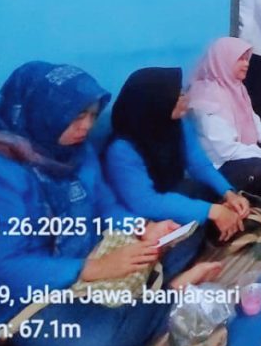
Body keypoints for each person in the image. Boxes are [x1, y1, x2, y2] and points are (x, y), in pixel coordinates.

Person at [0, 62, 214, 346]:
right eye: (75, 116)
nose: (86, 126)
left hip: (89, 253)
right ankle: (168, 293)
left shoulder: (78, 152)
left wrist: (142, 228)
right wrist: (91, 269)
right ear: (41, 113)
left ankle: (143, 300)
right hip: (24, 294)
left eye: (91, 115)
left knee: (184, 229)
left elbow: (105, 205)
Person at [105, 67, 250, 241]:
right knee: (198, 226)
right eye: (179, 95)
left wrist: (228, 193)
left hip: (173, 194)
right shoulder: (121, 150)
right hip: (143, 217)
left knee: (218, 197)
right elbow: (146, 203)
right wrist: (211, 211)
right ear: (157, 101)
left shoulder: (175, 124)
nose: (186, 98)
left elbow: (198, 164)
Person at [189, 37, 261, 204]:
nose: (246, 64)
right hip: (218, 167)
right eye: (240, 59)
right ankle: (246, 193)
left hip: (239, 153)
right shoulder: (207, 96)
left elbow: (256, 125)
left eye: (246, 58)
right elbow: (227, 150)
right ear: (223, 61)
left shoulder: (236, 88)